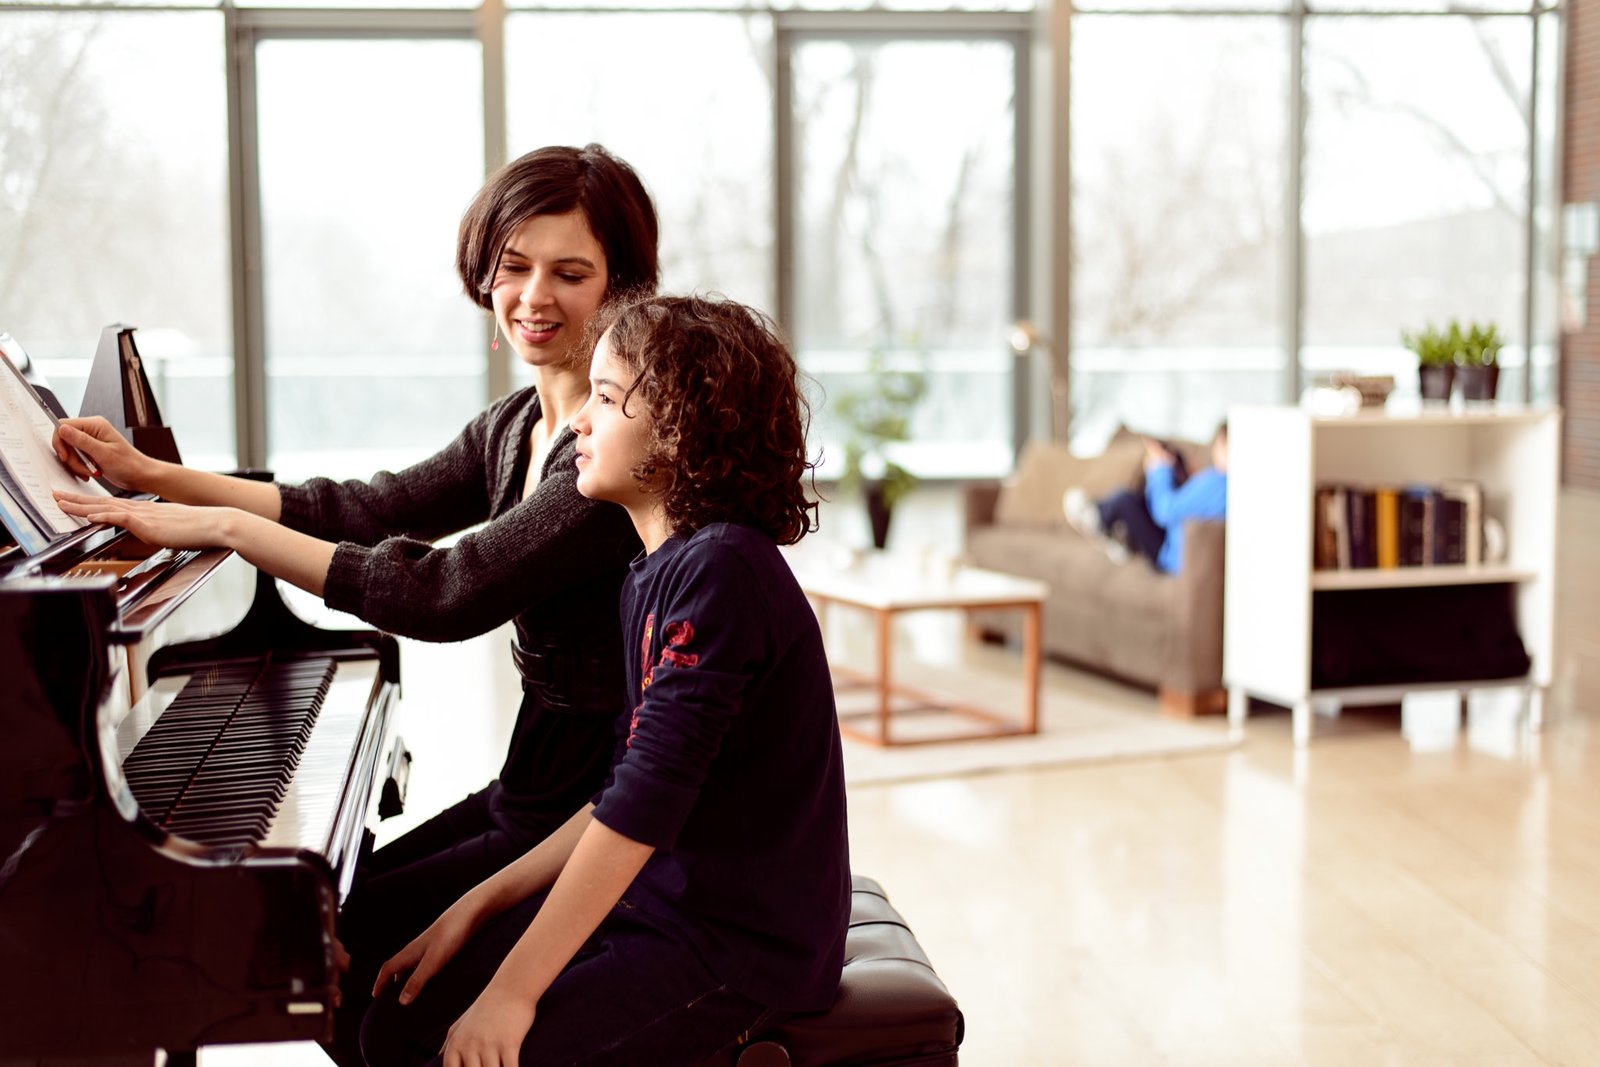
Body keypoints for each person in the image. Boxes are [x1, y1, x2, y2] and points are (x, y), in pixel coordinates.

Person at [51, 143, 660, 1066]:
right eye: (514, 267)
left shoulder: (605, 459)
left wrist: (220, 527)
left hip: (597, 803)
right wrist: (152, 476)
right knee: (339, 928)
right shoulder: (514, 426)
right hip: (536, 780)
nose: (534, 296)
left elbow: (446, 592)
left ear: (621, 288)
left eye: (570, 273)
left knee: (365, 971)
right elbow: (366, 505)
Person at [357, 294, 851, 1067]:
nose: (579, 421)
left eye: (609, 398)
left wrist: (514, 991)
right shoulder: (651, 571)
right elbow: (621, 787)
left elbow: (643, 803)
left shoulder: (722, 570)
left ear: (685, 429)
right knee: (396, 1018)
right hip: (664, 903)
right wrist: (475, 905)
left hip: (736, 946)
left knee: (459, 1051)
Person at [1062, 423, 1227, 574]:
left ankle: (1098, 520)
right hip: (1174, 543)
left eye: (1218, 445)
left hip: (1169, 555)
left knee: (1125, 501)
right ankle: (1118, 535)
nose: (1214, 450)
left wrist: (1159, 469)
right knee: (1134, 499)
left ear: (1225, 445)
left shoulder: (1219, 482)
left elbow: (1164, 511)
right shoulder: (1222, 484)